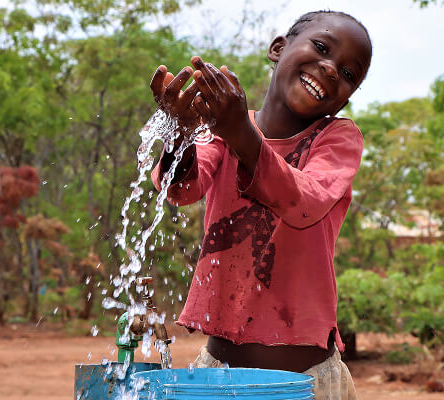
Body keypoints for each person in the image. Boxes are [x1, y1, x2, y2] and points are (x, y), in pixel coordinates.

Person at [149, 10, 372, 400]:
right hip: (217, 379)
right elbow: (181, 189)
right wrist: (180, 134)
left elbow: (304, 200)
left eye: (349, 73)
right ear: (278, 48)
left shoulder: (337, 139)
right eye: (322, 48)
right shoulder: (222, 134)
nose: (331, 69)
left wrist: (242, 133)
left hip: (309, 382)